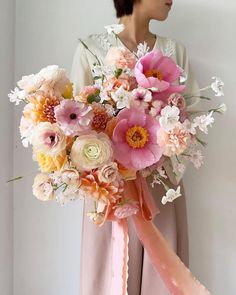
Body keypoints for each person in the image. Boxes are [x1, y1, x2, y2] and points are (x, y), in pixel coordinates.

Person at [70, 0, 200, 294]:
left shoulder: (174, 51)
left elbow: (192, 114)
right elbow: (75, 123)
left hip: (161, 187)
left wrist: (166, 138)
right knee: (109, 276)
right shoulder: (91, 49)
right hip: (109, 187)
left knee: (162, 276)